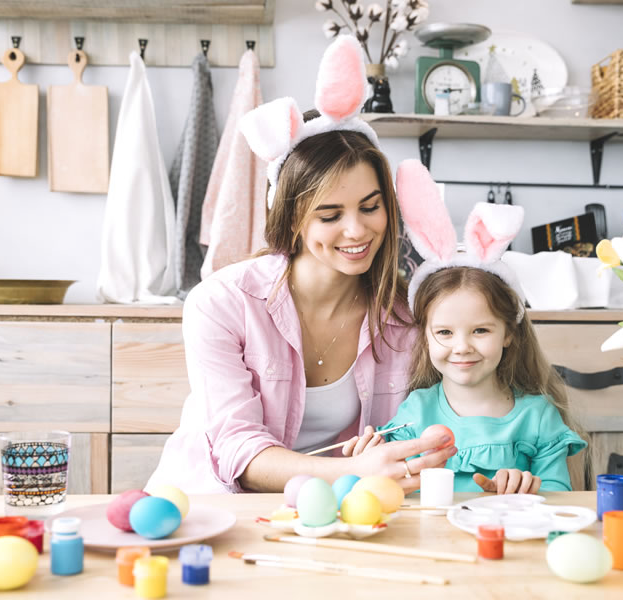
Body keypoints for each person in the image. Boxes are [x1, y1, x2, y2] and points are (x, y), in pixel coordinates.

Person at [146, 36, 456, 494]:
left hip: (334, 510)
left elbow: (434, 420)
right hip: (210, 505)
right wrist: (356, 472)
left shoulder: (406, 319)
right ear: (291, 219)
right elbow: (236, 449)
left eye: (370, 207)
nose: (356, 231)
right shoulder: (221, 303)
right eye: (330, 215)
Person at [343, 160, 587, 494]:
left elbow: (560, 497)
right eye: (444, 332)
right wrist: (366, 464)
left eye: (480, 331)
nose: (462, 347)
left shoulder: (537, 417)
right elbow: (391, 491)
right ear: (425, 336)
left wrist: (531, 489)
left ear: (509, 333)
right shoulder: (416, 412)